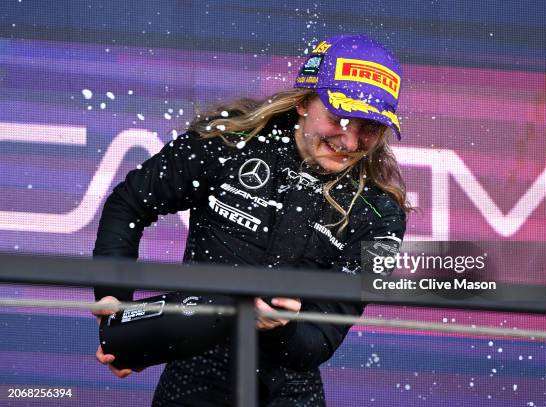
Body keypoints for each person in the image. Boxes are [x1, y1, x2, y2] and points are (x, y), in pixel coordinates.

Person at [92, 34, 410, 406]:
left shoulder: (383, 215)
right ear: (306, 101)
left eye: (369, 128)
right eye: (339, 117)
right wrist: (114, 298)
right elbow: (129, 203)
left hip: (290, 390)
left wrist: (283, 329)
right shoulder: (229, 142)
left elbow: (323, 338)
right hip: (192, 376)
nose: (350, 141)